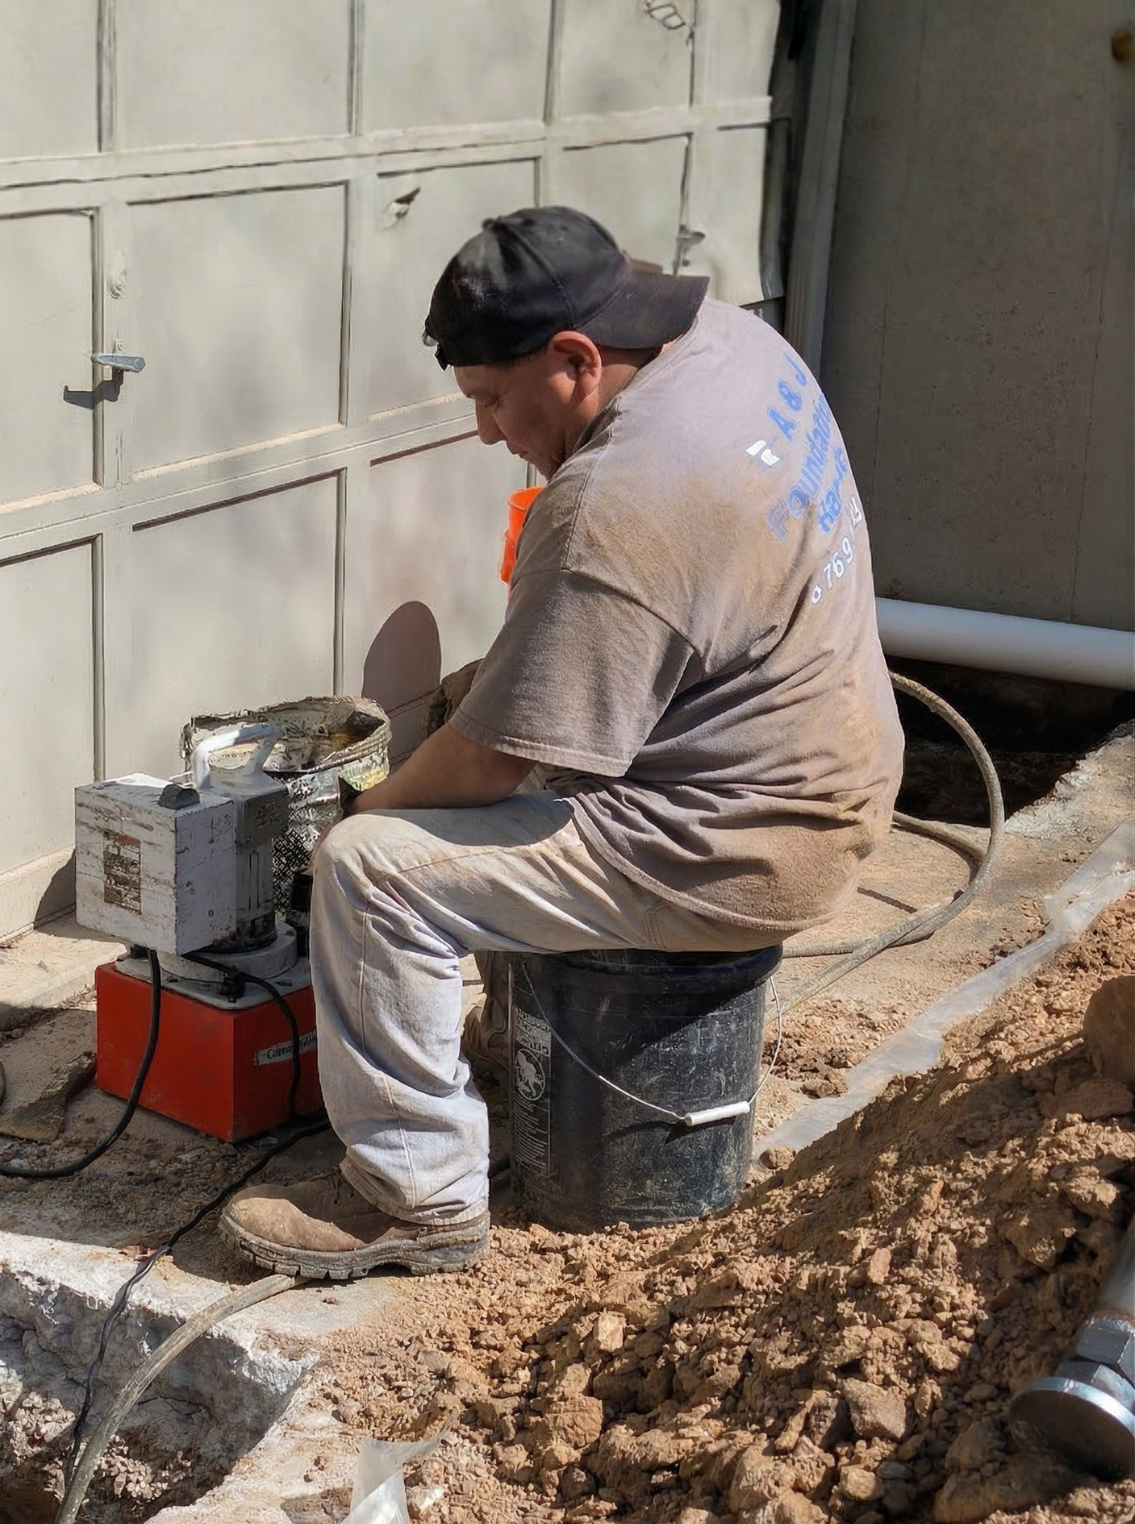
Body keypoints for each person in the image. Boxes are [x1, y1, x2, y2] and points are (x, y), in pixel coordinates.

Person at [222, 205, 902, 1280]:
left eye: (493, 398)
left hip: (742, 841)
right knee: (468, 728)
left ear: (578, 360)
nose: (488, 430)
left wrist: (357, 822)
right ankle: (491, 1048)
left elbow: (498, 764)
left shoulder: (615, 508)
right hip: (834, 757)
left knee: (374, 874)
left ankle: (415, 1196)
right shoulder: (730, 343)